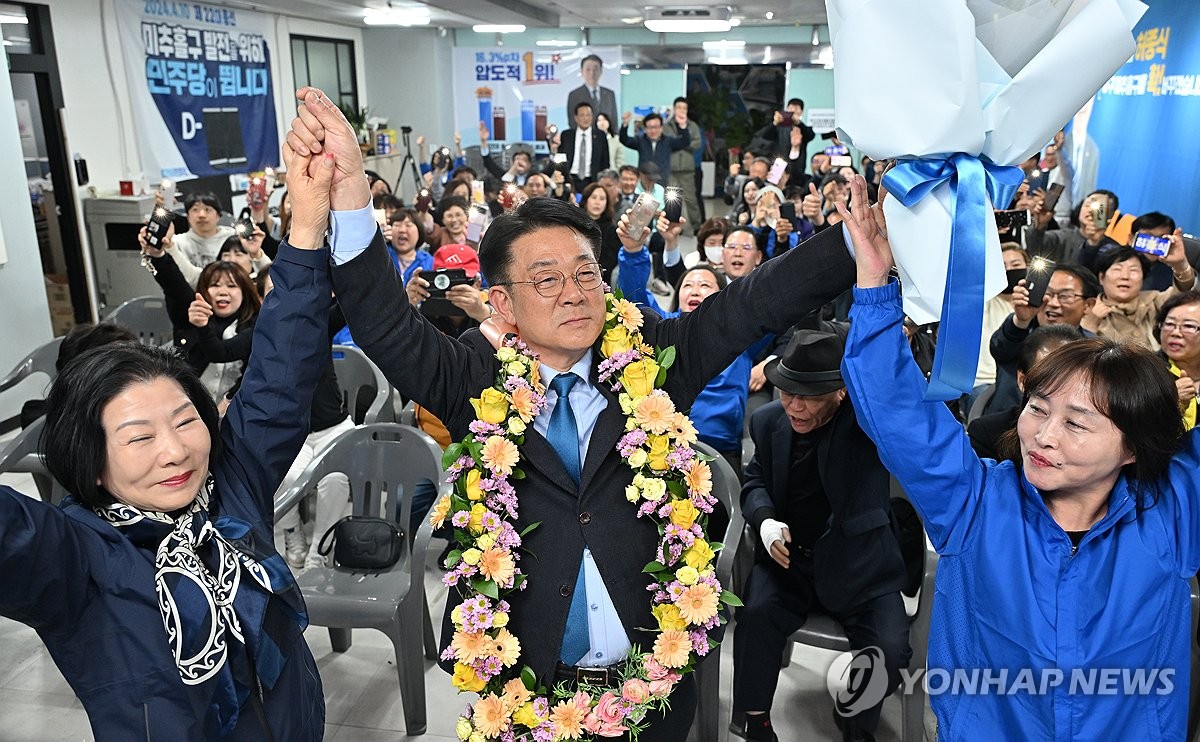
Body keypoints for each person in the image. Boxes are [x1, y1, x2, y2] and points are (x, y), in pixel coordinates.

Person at [284, 85, 860, 740]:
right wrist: (353, 191)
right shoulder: (472, 380)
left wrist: (852, 242)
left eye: (585, 272)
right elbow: (384, 325)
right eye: (547, 279)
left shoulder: (659, 362)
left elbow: (756, 301)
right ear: (501, 303)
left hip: (654, 687)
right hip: (526, 687)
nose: (575, 293)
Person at [840, 172, 1198, 741]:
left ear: (1134, 447)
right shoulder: (977, 502)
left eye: (1077, 423)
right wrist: (876, 284)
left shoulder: (1173, 511)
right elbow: (900, 414)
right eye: (1038, 408)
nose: (1043, 436)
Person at [0, 133, 335, 739]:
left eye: (185, 421)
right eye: (138, 437)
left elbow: (281, 372)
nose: (176, 451)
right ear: (92, 460)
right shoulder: (74, 556)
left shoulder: (232, 492)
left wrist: (307, 227)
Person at [732, 329, 910, 742]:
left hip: (861, 565)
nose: (793, 405)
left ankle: (854, 715)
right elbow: (755, 478)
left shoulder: (867, 428)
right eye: (786, 392)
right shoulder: (767, 421)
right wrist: (764, 520)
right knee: (755, 616)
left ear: (841, 393)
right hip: (789, 562)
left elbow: (900, 397)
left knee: (891, 652)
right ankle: (755, 722)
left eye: (808, 396)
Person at [1082, 245, 1197, 350]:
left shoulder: (1155, 301)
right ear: (1101, 278)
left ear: (1143, 278)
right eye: (1117, 269)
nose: (1125, 276)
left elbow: (1183, 293)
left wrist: (1180, 266)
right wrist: (1089, 325)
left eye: (1133, 270)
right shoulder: (1089, 312)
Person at [1156, 291, 1200, 431]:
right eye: (1169, 324)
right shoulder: (1144, 369)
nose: (1175, 332)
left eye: (1188, 326)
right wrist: (1172, 401)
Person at [618, 111, 690, 186]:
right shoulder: (640, 141)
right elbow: (624, 140)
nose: (653, 131)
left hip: (663, 181)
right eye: (649, 127)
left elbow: (685, 142)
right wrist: (625, 124)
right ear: (645, 129)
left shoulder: (668, 141)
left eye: (656, 127)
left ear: (661, 128)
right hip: (644, 181)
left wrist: (682, 125)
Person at [170, 191, 235, 269]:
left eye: (207, 209)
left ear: (218, 215)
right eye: (195, 210)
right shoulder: (177, 242)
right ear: (188, 217)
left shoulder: (232, 237)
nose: (201, 215)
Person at [664, 97, 703, 227]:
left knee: (691, 199)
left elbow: (697, 143)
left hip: (687, 169)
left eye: (684, 108)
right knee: (672, 199)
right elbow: (667, 143)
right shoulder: (666, 126)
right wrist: (681, 142)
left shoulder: (693, 126)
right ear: (674, 109)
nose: (681, 110)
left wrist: (682, 143)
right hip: (671, 169)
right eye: (679, 107)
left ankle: (696, 225)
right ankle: (671, 224)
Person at [559, 101, 609, 191]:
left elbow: (605, 161)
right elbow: (559, 157)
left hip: (591, 180)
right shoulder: (567, 135)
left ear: (592, 117)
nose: (585, 118)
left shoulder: (600, 135)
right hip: (570, 178)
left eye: (588, 115)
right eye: (582, 115)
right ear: (576, 118)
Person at [579, 182, 621, 282]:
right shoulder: (575, 224)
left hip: (601, 280)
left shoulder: (612, 229)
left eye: (602, 199)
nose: (597, 202)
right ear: (586, 200)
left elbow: (610, 261)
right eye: (594, 197)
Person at [566, 53, 617, 125]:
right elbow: (572, 122)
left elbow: (614, 120)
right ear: (582, 71)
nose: (592, 73)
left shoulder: (609, 94)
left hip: (605, 135)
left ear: (601, 71)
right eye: (588, 69)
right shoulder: (574, 95)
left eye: (595, 69)